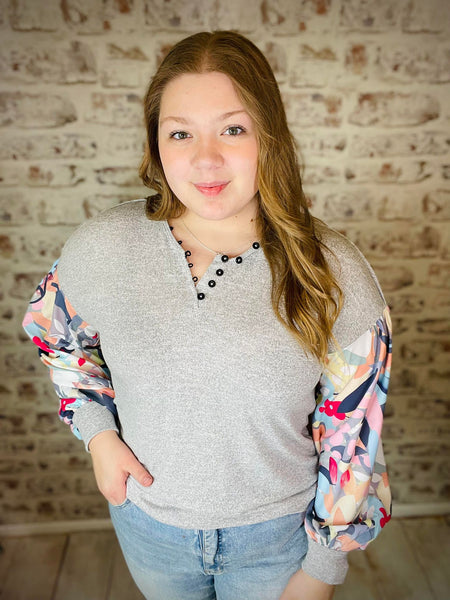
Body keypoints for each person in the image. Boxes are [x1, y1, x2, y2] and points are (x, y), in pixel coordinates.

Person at [22, 30, 392, 600]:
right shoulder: (105, 247)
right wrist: (98, 435)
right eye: (180, 133)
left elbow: (355, 434)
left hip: (279, 539)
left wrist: (323, 566)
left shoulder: (332, 270)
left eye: (233, 129)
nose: (205, 159)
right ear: (157, 143)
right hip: (150, 531)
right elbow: (56, 337)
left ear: (270, 135)